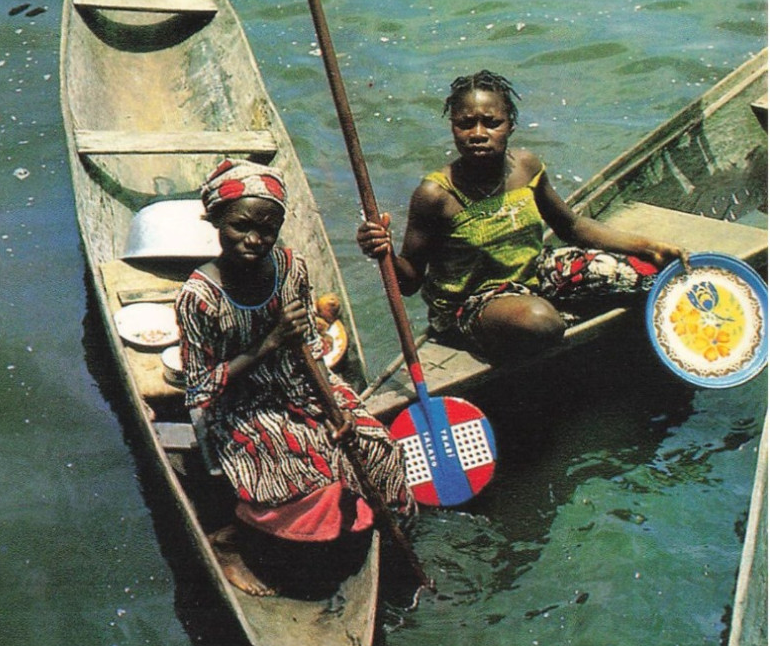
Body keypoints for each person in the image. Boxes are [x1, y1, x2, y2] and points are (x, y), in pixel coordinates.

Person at [176, 159, 414, 596]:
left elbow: (312, 354)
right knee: (310, 478)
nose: (254, 240)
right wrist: (266, 345)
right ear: (215, 221)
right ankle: (232, 540)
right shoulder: (198, 297)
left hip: (300, 384)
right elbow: (199, 388)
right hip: (238, 404)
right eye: (240, 227)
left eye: (266, 230)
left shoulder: (292, 269)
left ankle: (364, 539)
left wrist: (333, 406)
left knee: (378, 449)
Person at [357, 70, 688, 361]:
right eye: (465, 124)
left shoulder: (525, 167)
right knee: (542, 322)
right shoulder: (435, 195)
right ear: (453, 127)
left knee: (650, 279)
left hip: (534, 274)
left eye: (492, 122)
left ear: (510, 126)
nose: (477, 133)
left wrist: (647, 247)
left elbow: (571, 226)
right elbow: (410, 282)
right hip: (471, 304)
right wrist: (382, 252)